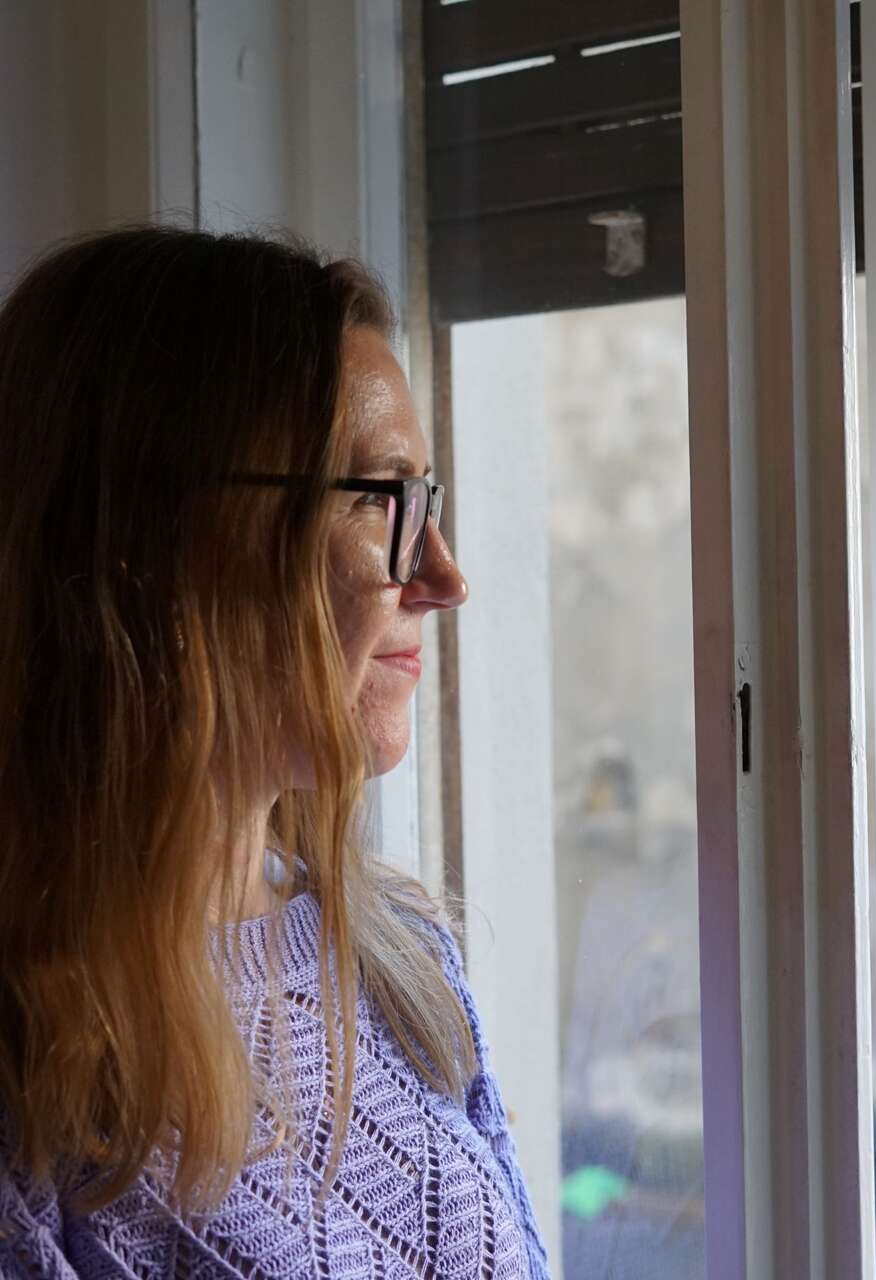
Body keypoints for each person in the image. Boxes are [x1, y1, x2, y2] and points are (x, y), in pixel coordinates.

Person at [0, 226, 549, 1279]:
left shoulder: (399, 959)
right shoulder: (30, 1062)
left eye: (425, 500)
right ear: (156, 535)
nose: (440, 574)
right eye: (380, 497)